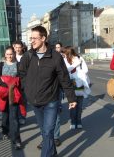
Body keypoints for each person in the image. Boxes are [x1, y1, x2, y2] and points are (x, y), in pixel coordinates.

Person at [19, 26, 77, 157]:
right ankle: (53, 153)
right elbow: (22, 74)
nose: (31, 41)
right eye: (31, 38)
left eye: (34, 38)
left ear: (43, 38)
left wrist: (71, 98)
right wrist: (27, 89)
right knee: (45, 132)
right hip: (35, 101)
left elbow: (64, 78)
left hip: (51, 101)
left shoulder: (55, 57)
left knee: (47, 132)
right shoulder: (28, 56)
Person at [0, 46, 24, 150]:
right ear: (5, 55)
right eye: (7, 54)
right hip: (3, 94)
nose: (9, 56)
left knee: (14, 118)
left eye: (11, 54)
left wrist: (15, 85)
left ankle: (17, 140)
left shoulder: (18, 65)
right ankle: (5, 131)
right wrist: (6, 85)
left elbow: (21, 78)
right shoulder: (1, 65)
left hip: (14, 94)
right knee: (5, 115)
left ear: (14, 54)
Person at [63, 46, 91, 129]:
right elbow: (65, 71)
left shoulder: (79, 58)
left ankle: (78, 121)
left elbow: (85, 70)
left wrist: (78, 75)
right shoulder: (65, 60)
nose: (64, 54)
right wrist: (75, 65)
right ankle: (73, 121)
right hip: (70, 84)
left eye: (65, 53)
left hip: (79, 83)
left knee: (79, 104)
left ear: (69, 53)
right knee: (72, 103)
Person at [12, 40, 27, 125]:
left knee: (23, 101)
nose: (17, 49)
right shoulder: (11, 56)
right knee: (15, 100)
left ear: (22, 48)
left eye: (19, 47)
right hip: (14, 83)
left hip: (23, 82)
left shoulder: (26, 57)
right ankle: (16, 116)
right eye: (16, 47)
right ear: (14, 47)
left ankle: (22, 116)